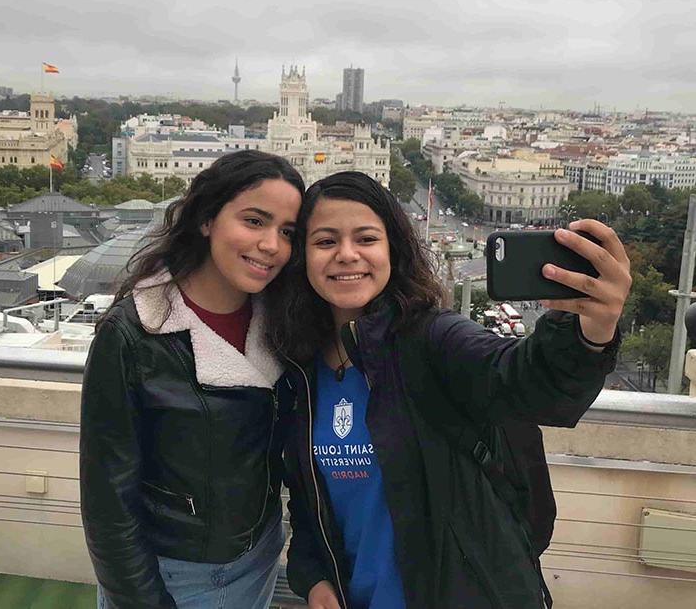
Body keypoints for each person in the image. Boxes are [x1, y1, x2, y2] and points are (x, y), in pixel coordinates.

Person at [270, 172, 630, 609]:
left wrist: (592, 328)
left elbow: (527, 382)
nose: (347, 255)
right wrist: (314, 577)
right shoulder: (298, 368)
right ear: (302, 257)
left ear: (393, 250)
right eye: (325, 242)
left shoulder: (431, 338)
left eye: (366, 238)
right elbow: (311, 502)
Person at [79, 150, 304, 609]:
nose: (271, 245)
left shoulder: (283, 323)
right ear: (206, 219)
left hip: (257, 555)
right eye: (254, 221)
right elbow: (108, 501)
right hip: (169, 572)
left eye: (287, 232)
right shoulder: (134, 333)